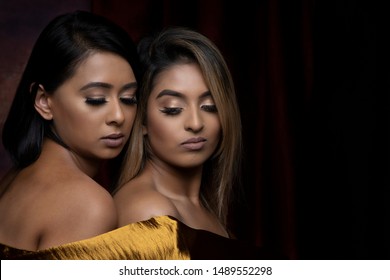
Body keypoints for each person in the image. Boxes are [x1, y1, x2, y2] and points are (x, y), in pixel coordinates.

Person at [0, 10, 141, 257]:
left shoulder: (16, 178)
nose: (119, 116)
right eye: (96, 100)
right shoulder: (87, 204)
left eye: (129, 98)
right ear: (44, 101)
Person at [114, 27, 259, 259]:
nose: (195, 123)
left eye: (209, 106)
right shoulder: (149, 210)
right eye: (173, 109)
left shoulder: (204, 208)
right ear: (141, 120)